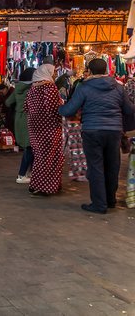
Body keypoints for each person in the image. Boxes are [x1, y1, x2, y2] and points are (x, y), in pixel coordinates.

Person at [59, 58, 135, 213]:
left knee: (96, 167)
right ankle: (110, 200)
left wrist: (59, 108)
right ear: (106, 70)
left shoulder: (84, 87)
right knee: (112, 165)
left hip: (92, 131)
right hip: (114, 132)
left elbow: (69, 110)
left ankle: (99, 204)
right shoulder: (118, 88)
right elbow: (129, 109)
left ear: (90, 71)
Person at [24, 64, 64, 197]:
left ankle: (36, 184)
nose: (55, 75)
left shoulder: (32, 89)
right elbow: (53, 108)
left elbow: (26, 108)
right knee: (50, 157)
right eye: (53, 73)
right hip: (49, 127)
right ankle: (44, 187)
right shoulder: (49, 87)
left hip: (34, 127)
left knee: (40, 156)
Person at [5, 68, 36, 184]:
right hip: (28, 119)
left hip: (18, 119)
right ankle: (22, 174)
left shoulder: (17, 88)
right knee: (30, 148)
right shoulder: (33, 89)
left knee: (29, 148)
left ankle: (28, 173)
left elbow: (8, 102)